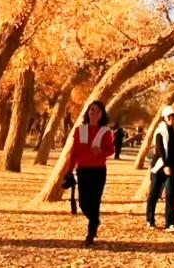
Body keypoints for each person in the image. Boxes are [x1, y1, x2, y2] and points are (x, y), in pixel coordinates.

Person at [65, 101, 115, 246]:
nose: (94, 112)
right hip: (83, 170)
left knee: (95, 201)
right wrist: (69, 170)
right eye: (91, 109)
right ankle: (95, 220)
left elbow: (111, 150)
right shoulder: (80, 130)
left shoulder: (105, 131)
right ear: (87, 112)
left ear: (102, 114)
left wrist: (102, 152)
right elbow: (74, 152)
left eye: (97, 110)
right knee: (83, 203)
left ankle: (91, 232)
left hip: (98, 171)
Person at [145, 105, 174, 232]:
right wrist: (166, 165)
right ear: (164, 118)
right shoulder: (160, 132)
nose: (172, 119)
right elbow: (160, 150)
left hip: (172, 167)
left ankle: (170, 223)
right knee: (154, 193)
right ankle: (150, 219)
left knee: (171, 194)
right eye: (169, 117)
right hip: (160, 167)